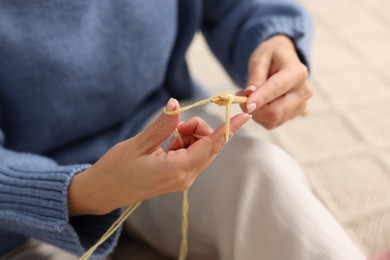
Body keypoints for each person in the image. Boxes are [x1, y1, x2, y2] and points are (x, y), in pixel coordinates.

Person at [0, 0, 365, 259]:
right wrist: (83, 193)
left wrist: (273, 38)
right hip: (18, 199)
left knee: (261, 173)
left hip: (155, 127)